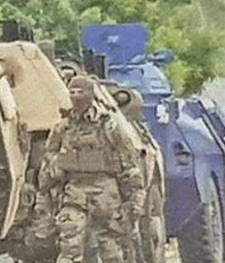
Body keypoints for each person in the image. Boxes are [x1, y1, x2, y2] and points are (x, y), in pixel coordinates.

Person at [38, 76, 146, 263]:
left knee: (111, 250)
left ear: (91, 94)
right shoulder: (63, 127)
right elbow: (48, 160)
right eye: (72, 92)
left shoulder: (110, 125)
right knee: (69, 247)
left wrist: (135, 199)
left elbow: (129, 162)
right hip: (74, 191)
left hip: (105, 193)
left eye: (81, 92)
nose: (75, 96)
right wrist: (46, 192)